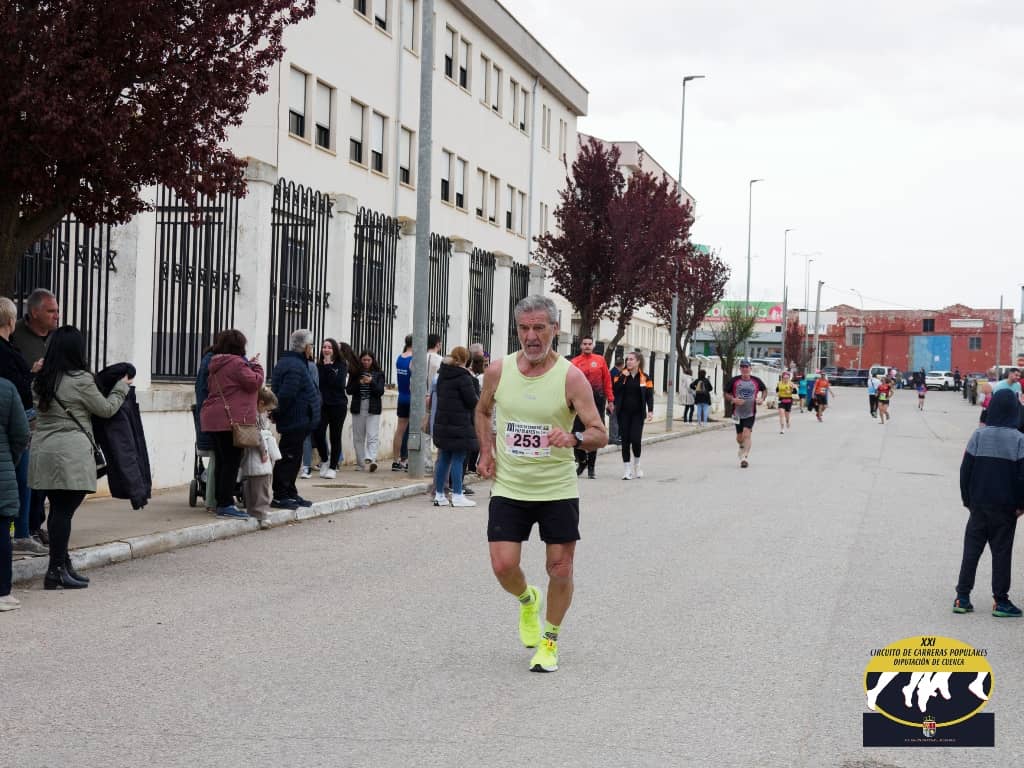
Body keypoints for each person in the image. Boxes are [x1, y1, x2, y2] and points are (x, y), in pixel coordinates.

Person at [475, 295, 607, 673]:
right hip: (510, 486)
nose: (531, 336)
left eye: (539, 328)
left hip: (556, 489)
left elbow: (600, 432)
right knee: (503, 566)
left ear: (554, 330)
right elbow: (482, 410)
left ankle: (549, 641)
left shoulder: (571, 377)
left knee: (560, 568)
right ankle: (527, 600)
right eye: (524, 328)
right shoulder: (498, 371)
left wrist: (574, 438)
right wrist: (485, 450)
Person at [29, 326, 131, 589]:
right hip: (70, 454)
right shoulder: (81, 379)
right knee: (64, 512)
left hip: (43, 451)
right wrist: (121, 388)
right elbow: (105, 409)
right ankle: (55, 570)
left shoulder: (41, 378)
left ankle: (63, 565)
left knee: (57, 510)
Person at [953, 389, 1024, 617]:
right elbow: (1022, 477)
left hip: (979, 505)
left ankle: (962, 597)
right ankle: (1001, 601)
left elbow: (965, 470)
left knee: (971, 551)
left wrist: (967, 499)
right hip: (1006, 508)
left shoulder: (978, 436)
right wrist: (1021, 505)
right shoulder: (1019, 440)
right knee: (1002, 553)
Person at [199, 329, 264, 518]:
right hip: (230, 420)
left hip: (213, 417)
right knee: (231, 462)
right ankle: (225, 504)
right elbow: (254, 383)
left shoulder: (216, 362)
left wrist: (248, 365)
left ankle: (220, 501)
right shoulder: (236, 363)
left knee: (222, 460)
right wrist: (257, 366)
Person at [13, 289, 59, 547]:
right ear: (34, 312)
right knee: (27, 476)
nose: (56, 315)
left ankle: (36, 525)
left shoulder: (57, 338)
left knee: (45, 478)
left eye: (57, 310)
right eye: (51, 311)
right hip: (26, 417)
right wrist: (31, 372)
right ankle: (24, 528)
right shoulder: (16, 335)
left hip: (52, 418)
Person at [0, 297, 43, 557]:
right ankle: (21, 533)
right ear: (9, 321)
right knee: (22, 478)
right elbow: (16, 385)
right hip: (18, 418)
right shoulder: (6, 351)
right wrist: (33, 374)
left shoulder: (9, 347)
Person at [270, 329, 321, 509]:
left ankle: (290, 492)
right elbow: (286, 395)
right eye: (311, 345)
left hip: (300, 420)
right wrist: (277, 413)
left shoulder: (297, 363)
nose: (312, 349)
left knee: (294, 458)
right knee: (288, 458)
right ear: (306, 347)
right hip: (294, 420)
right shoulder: (294, 365)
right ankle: (280, 495)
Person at [431, 346, 479, 507]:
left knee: (444, 458)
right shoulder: (463, 377)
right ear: (466, 359)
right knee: (459, 458)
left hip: (443, 422)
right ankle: (458, 495)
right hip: (460, 424)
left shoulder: (442, 374)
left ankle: (439, 495)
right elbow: (472, 401)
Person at [0, 376, 29, 610]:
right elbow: (21, 434)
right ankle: (2, 593)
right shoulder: (6, 388)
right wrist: (10, 461)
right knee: (1, 532)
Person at [570, 335, 614, 479]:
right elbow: (568, 382)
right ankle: (582, 461)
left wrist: (610, 400)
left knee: (594, 433)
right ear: (581, 346)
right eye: (585, 343)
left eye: (590, 343)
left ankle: (591, 468)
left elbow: (607, 381)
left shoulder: (600, 360)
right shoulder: (575, 362)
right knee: (576, 432)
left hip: (597, 401)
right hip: (579, 401)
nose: (587, 346)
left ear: (593, 346)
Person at [239, 387, 279, 524]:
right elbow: (258, 435)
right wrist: (264, 452)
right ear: (261, 403)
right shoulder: (255, 416)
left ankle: (253, 511)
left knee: (252, 487)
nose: (268, 412)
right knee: (261, 486)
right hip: (258, 456)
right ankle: (261, 514)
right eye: (268, 409)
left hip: (251, 456)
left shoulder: (252, 413)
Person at [612, 351, 654, 480]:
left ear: (638, 362)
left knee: (635, 440)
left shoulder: (645, 377)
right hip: (623, 413)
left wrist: (650, 410)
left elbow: (649, 395)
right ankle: (627, 470)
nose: (628, 362)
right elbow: (615, 390)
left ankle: (637, 464)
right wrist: (622, 378)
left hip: (638, 414)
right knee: (625, 440)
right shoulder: (620, 375)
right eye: (627, 359)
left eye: (631, 359)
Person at [313, 338, 349, 479]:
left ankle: (333, 467)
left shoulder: (341, 364)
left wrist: (328, 366)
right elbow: (318, 383)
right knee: (318, 432)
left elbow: (337, 383)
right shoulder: (318, 365)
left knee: (335, 436)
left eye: (329, 347)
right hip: (322, 405)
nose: (326, 349)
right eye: (324, 347)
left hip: (338, 405)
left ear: (334, 350)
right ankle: (325, 459)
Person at [724, 359, 767, 469]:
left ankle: (744, 458)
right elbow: (726, 393)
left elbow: (764, 390)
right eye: (742, 367)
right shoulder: (734, 380)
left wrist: (762, 399)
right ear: (740, 369)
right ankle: (742, 447)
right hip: (736, 413)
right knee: (739, 437)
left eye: (746, 367)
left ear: (750, 368)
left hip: (750, 412)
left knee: (746, 434)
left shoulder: (756, 381)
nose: (744, 369)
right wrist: (733, 399)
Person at [348, 350, 386, 471]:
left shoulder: (379, 373)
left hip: (373, 407)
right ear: (360, 360)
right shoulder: (355, 373)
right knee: (358, 437)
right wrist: (359, 383)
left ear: (373, 360)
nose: (366, 362)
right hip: (358, 406)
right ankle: (360, 463)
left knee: (372, 435)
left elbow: (380, 391)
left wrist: (371, 382)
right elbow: (349, 390)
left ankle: (371, 459)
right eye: (364, 360)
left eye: (369, 360)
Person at [194, 342, 218, 513]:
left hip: (208, 423)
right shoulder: (214, 365)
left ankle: (213, 500)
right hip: (215, 424)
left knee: (217, 460)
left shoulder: (207, 362)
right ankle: (213, 500)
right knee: (219, 459)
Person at [392, 334, 413, 471]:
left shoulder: (400, 358)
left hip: (402, 397)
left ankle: (395, 461)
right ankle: (409, 461)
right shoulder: (414, 359)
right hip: (412, 398)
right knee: (414, 431)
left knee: (400, 430)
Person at [608, 356, 624, 444]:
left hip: (612, 399)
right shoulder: (617, 374)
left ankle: (613, 437)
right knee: (614, 420)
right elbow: (617, 388)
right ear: (622, 365)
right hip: (615, 400)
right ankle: (614, 438)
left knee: (613, 419)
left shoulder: (611, 372)